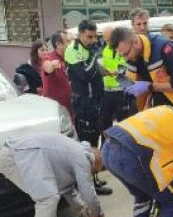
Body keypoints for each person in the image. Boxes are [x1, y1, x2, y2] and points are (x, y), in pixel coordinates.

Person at [0, 133, 104, 217]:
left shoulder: (75, 152)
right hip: (14, 157)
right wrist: (98, 214)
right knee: (48, 198)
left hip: (18, 153)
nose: (92, 173)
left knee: (50, 194)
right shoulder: (82, 158)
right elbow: (87, 191)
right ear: (94, 163)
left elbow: (66, 188)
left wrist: (83, 209)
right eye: (94, 171)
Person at [65, 20, 112, 196]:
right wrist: (94, 58)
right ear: (80, 34)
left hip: (94, 101)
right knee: (86, 145)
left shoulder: (86, 50)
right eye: (89, 37)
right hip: (84, 103)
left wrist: (105, 71)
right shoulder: (73, 50)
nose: (93, 40)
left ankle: (94, 178)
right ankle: (89, 185)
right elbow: (84, 75)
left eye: (94, 36)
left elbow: (94, 70)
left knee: (94, 141)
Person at [121, 25, 173, 111]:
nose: (125, 58)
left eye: (126, 53)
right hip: (157, 101)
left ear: (135, 42)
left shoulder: (163, 47)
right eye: (122, 55)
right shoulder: (132, 55)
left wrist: (148, 86)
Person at [99, 27, 133, 134]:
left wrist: (117, 71)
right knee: (105, 123)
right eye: (106, 40)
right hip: (108, 91)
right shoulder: (105, 50)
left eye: (109, 40)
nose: (108, 42)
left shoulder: (122, 48)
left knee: (124, 124)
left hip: (121, 91)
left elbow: (126, 66)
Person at [41, 32, 73, 117]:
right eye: (68, 41)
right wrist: (52, 65)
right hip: (55, 113)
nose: (71, 44)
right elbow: (47, 66)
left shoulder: (69, 59)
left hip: (69, 109)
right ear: (58, 44)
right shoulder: (50, 58)